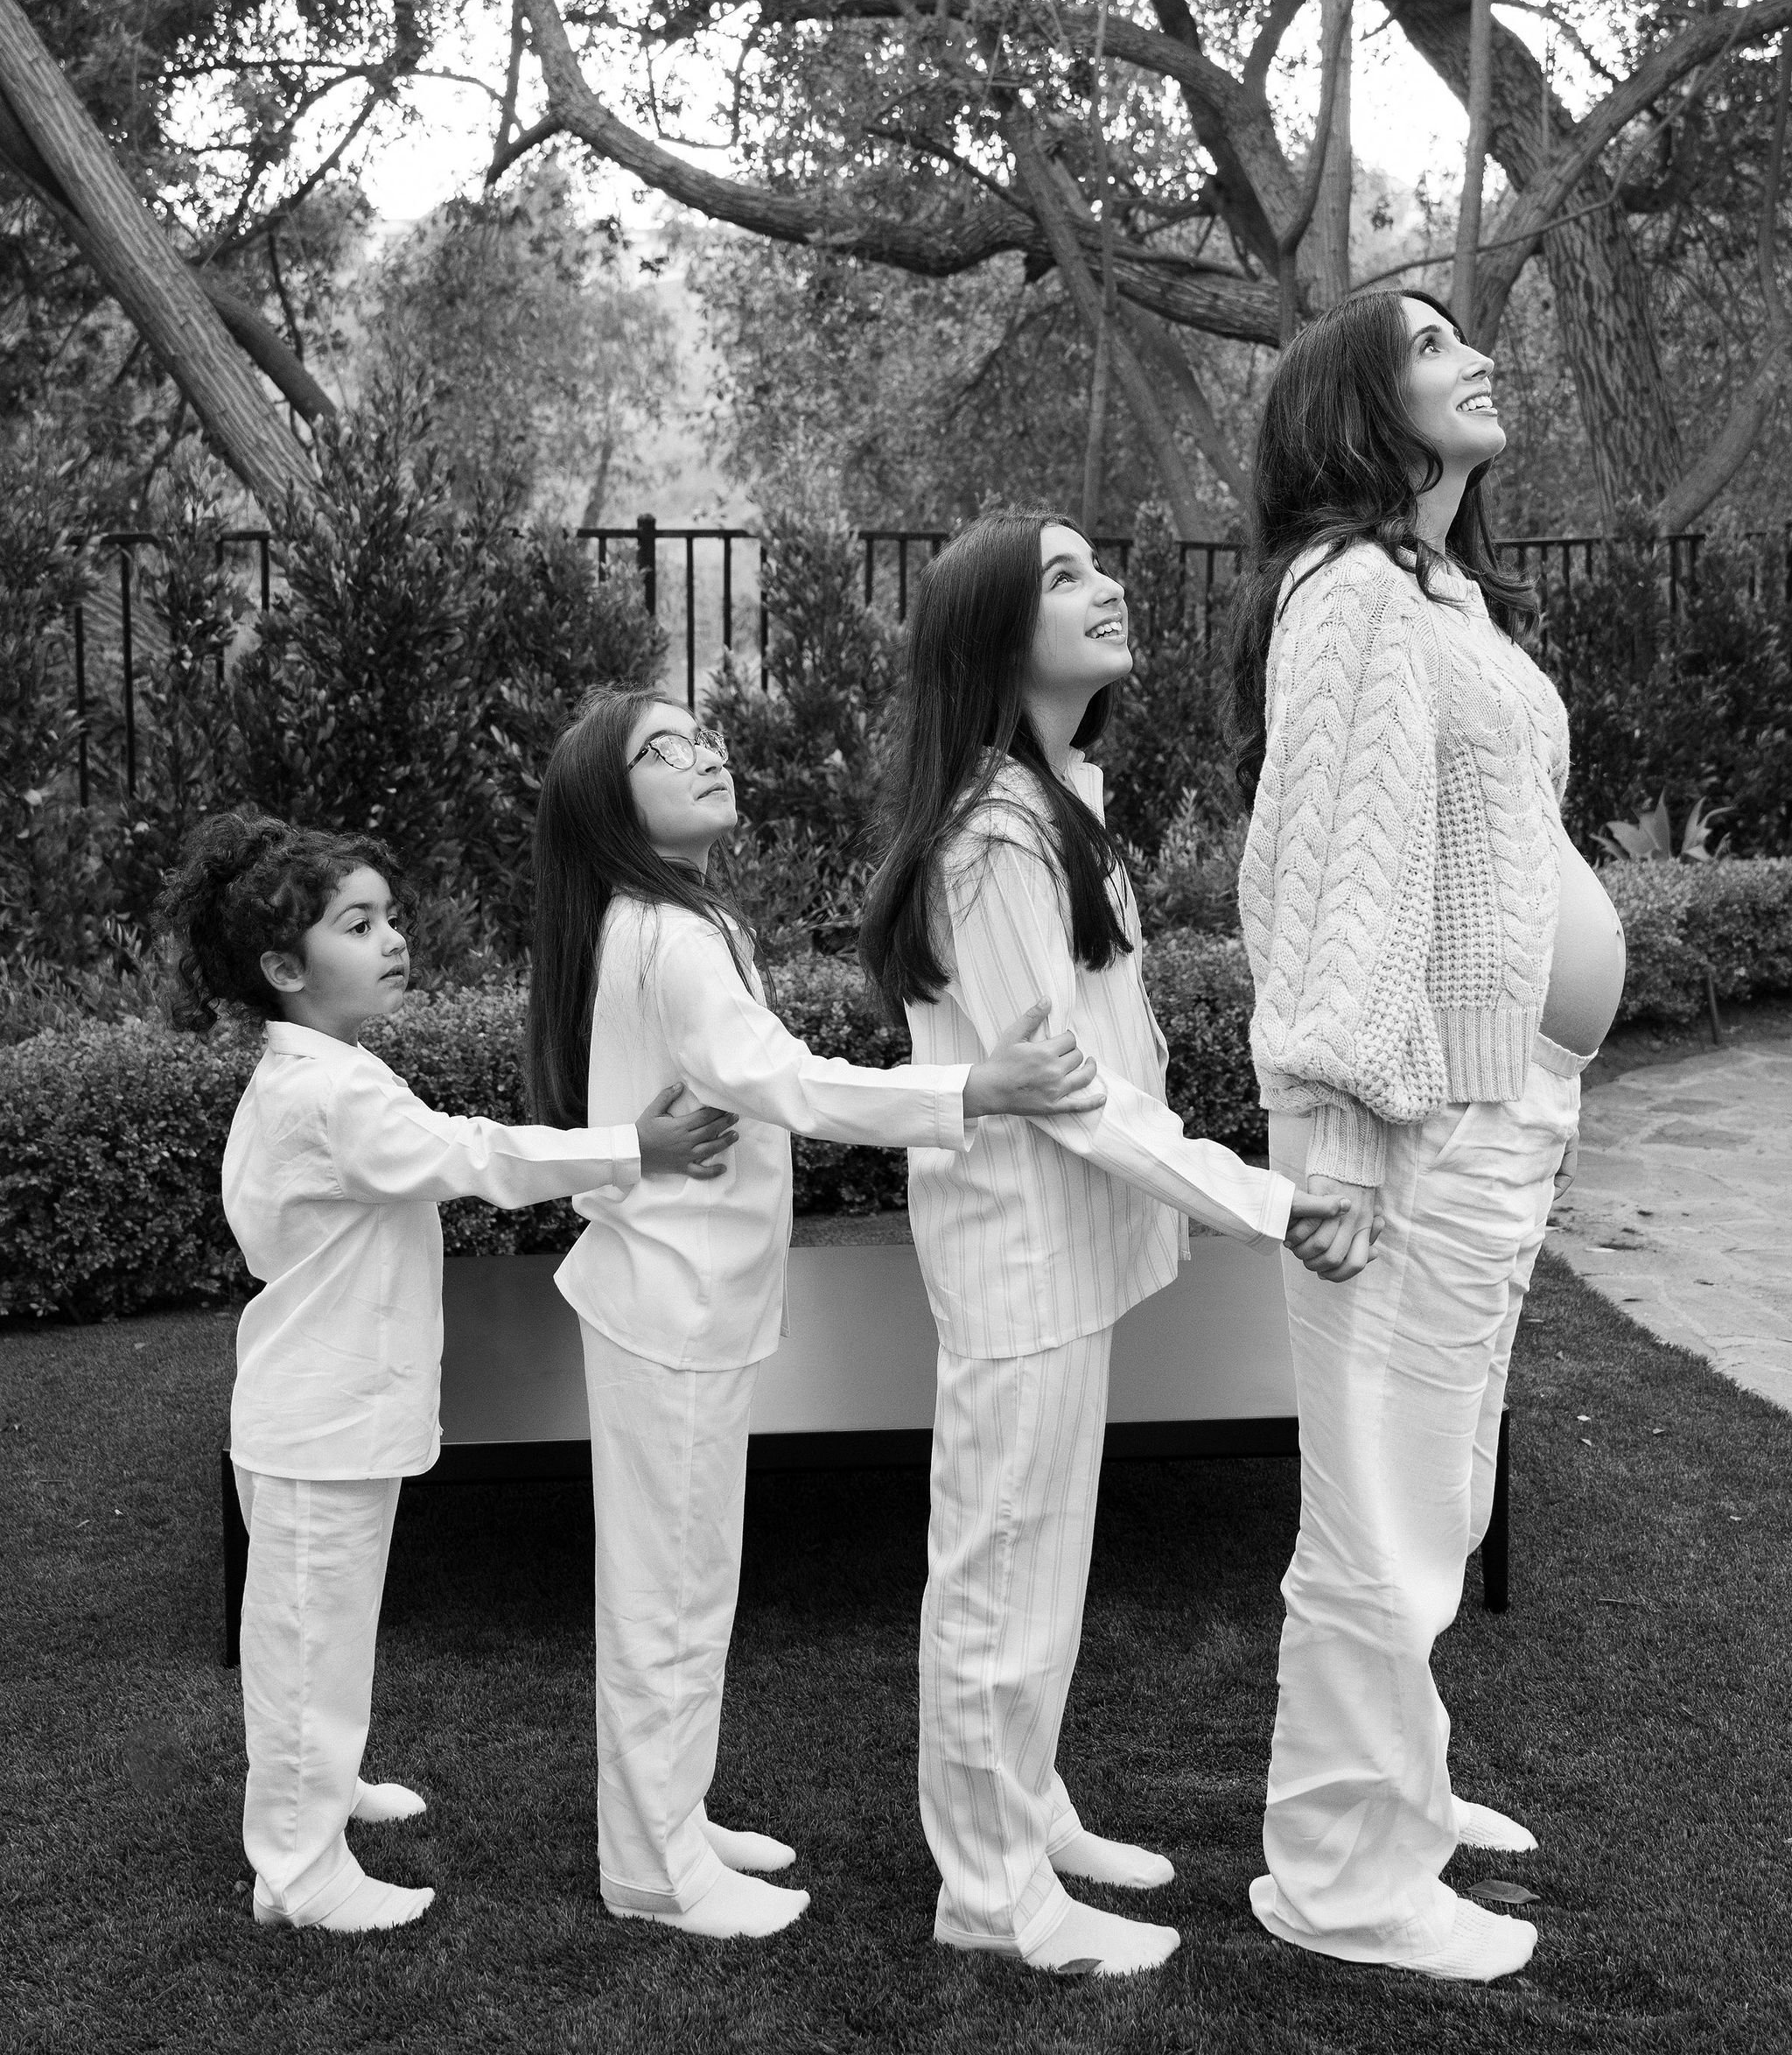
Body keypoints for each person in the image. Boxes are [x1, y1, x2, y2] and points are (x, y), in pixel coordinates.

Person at [858, 508, 1356, 1981]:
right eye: (1062, 576)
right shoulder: (993, 833)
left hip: (1064, 1256)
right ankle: (993, 1893)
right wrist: (1266, 1199)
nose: (1107, 586)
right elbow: (1074, 1095)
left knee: (1038, 1571)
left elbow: (1107, 1062)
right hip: (1019, 1257)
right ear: (993, 632)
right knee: (1000, 1582)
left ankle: (1033, 1814)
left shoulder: (1057, 797)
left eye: (1096, 564)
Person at [525, 688, 1105, 1942]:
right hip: (665, 1309)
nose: (704, 752)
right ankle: (649, 1862)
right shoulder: (665, 937)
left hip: (684, 1303)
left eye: (701, 733)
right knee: (667, 1595)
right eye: (662, 752)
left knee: (688, 1582)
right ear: (605, 805)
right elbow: (784, 1083)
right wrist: (977, 1088)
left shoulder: (674, 919)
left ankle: (670, 1813)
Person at [1233, 290, 1628, 1984]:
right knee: (1378, 1513)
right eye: (1431, 345)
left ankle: (1400, 1786)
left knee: (1438, 1486)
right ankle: (1339, 1877)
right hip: (1409, 1127)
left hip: (1499, 1102)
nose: (1477, 359)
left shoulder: (1438, 593)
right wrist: (1328, 1130)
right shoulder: (1349, 599)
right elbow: (1324, 872)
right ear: (1353, 404)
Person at [160, 809, 737, 1937]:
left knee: (324, 1627)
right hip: (318, 1417)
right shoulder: (333, 1093)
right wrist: (635, 1148)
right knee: (306, 1645)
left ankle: (323, 1789)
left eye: (388, 917)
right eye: (356, 924)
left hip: (321, 1409)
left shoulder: (321, 1072)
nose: (391, 938)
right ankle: (297, 1867)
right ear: (286, 969)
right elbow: (476, 1155)